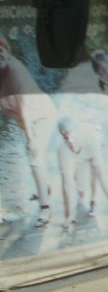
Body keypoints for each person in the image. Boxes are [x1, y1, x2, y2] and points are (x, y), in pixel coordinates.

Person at [0, 33, 60, 225]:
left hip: (41, 116)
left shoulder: (14, 71)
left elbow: (24, 108)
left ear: (7, 50)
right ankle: (45, 188)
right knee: (34, 158)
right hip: (25, 118)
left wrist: (31, 138)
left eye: (1, 50)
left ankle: (45, 209)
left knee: (34, 157)